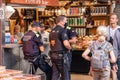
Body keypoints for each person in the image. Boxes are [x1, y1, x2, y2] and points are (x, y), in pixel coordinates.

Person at [49, 15, 71, 80]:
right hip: (61, 56)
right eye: (65, 20)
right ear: (61, 21)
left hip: (53, 55)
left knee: (55, 74)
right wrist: (69, 48)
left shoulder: (52, 31)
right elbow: (66, 44)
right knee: (65, 75)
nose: (66, 22)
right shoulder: (62, 30)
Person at [107, 13, 120, 80]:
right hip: (108, 52)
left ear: (117, 20)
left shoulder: (119, 29)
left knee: (116, 70)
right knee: (109, 71)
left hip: (117, 53)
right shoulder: (107, 29)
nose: (111, 20)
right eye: (110, 18)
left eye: (113, 18)